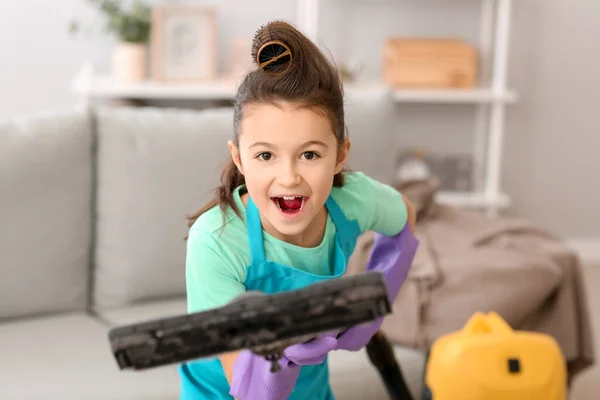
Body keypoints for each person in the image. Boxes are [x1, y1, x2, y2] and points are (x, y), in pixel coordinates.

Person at [179, 19, 419, 400]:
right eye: (265, 155)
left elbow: (405, 221)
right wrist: (281, 354)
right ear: (239, 158)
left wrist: (374, 306)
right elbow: (249, 390)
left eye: (309, 154)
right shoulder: (217, 241)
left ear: (340, 155)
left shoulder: (354, 201)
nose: (288, 177)